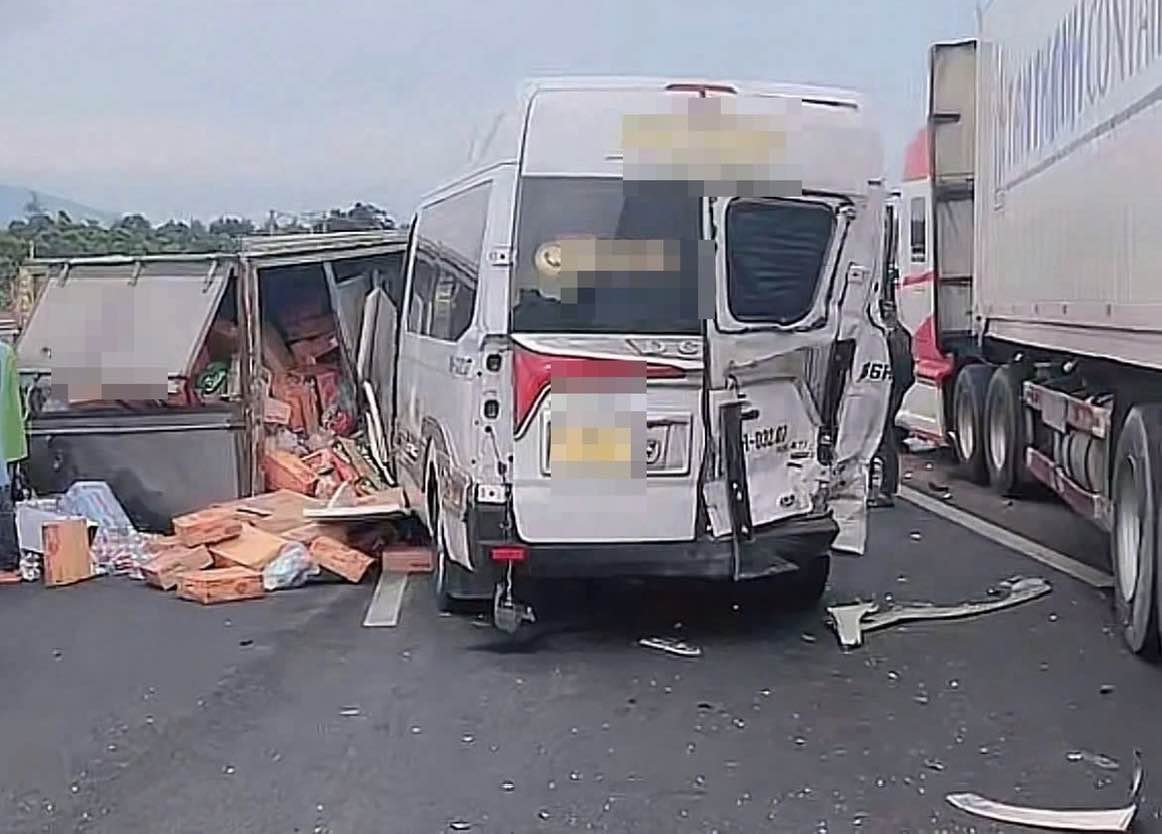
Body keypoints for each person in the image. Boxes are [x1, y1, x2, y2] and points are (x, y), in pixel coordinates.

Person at [868, 298, 914, 508]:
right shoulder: (901, 333)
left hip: (884, 389)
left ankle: (884, 490)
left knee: (880, 436)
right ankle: (877, 488)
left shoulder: (885, 336)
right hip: (890, 387)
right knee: (880, 436)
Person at [0, 338, 27, 583]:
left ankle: (8, 565)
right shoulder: (6, 353)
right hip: (6, 438)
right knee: (3, 502)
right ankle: (9, 564)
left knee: (2, 505)